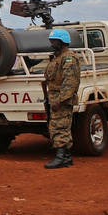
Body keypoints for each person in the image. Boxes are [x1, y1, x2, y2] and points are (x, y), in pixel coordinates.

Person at [44, 29, 80, 169]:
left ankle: (61, 157)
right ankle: (66, 157)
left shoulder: (69, 58)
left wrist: (60, 100)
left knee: (60, 127)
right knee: (57, 126)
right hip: (54, 98)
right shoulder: (57, 57)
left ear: (62, 42)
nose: (51, 44)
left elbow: (70, 81)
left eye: (54, 41)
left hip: (61, 100)